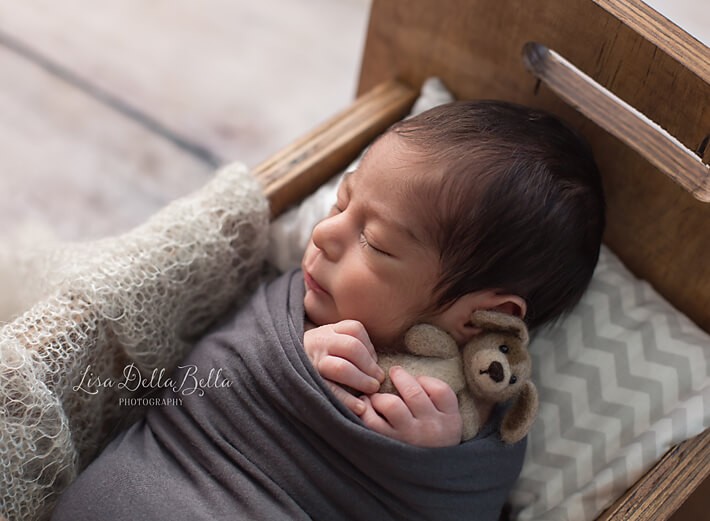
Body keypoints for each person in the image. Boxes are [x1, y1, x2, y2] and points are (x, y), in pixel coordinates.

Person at [51, 100, 605, 521]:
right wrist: (284, 357)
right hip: (154, 481)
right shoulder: (298, 304)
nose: (324, 232)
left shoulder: (478, 428)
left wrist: (424, 461)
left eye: (378, 243)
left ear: (482, 316)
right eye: (342, 202)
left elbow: (471, 504)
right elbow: (193, 382)